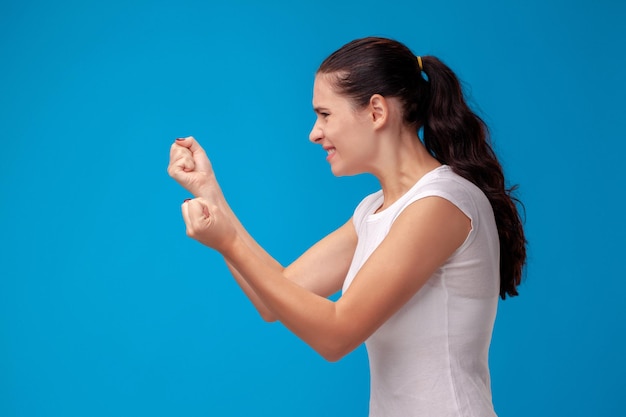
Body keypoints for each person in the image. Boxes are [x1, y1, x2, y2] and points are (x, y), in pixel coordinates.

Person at [167, 37, 526, 417]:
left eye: (325, 114)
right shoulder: (374, 210)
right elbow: (274, 300)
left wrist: (228, 242)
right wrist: (209, 195)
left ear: (375, 112)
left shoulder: (441, 203)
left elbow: (337, 333)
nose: (314, 132)